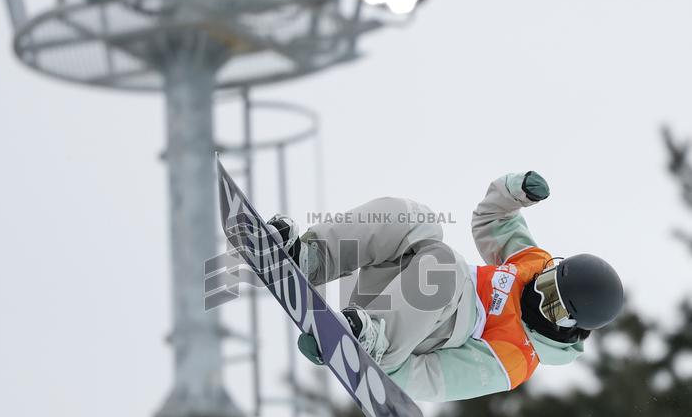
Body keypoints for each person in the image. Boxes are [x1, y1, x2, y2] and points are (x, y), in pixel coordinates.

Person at [267, 171, 623, 402]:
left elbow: (437, 379)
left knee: (445, 265)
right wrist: (516, 191)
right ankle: (310, 258)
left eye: (554, 309)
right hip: (389, 301)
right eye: (547, 285)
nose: (540, 298)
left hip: (401, 343)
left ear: (570, 327)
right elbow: (492, 219)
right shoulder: (530, 264)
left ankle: (370, 339)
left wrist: (364, 366)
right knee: (417, 219)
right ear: (551, 269)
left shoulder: (517, 357)